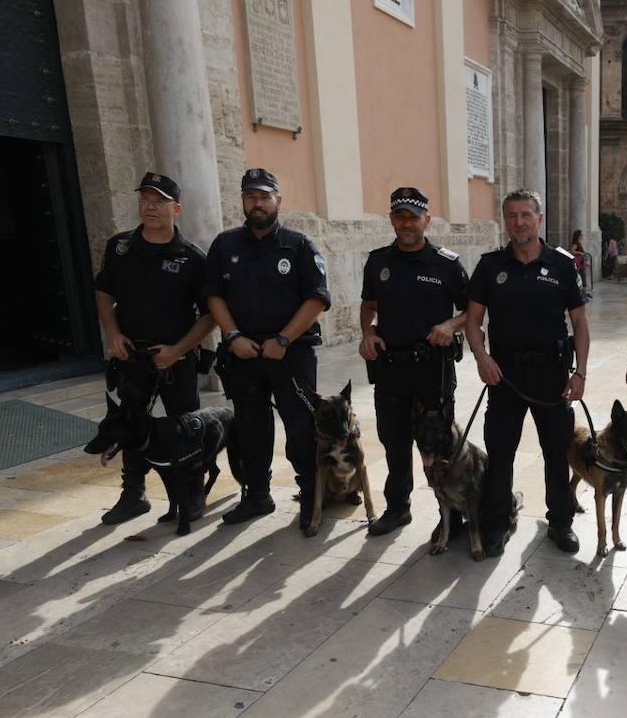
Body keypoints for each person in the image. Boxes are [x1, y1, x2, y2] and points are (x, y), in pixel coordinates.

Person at [203, 168, 330, 531]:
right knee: (251, 428)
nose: (257, 203)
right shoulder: (225, 245)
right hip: (244, 354)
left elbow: (317, 299)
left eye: (264, 196)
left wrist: (284, 340)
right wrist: (233, 337)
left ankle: (310, 498)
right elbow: (213, 295)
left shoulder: (300, 245)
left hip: (291, 354)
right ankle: (257, 494)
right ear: (242, 201)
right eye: (250, 197)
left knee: (301, 428)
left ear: (278, 200)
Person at [465, 189, 589, 557]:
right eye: (511, 216)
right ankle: (498, 523)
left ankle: (560, 522)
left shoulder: (564, 265)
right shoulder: (490, 266)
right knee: (500, 453)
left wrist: (580, 373)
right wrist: (480, 356)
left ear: (540, 218)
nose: (519, 222)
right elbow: (473, 319)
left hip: (552, 375)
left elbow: (579, 321)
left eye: (526, 215)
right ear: (505, 221)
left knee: (556, 452)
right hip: (504, 376)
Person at [94, 171, 214, 524]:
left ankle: (192, 495)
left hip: (176, 359)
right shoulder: (120, 247)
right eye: (146, 199)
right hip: (131, 356)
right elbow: (104, 292)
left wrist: (178, 350)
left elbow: (210, 316)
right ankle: (134, 495)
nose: (151, 206)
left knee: (187, 428)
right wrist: (112, 333)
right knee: (131, 426)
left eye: (159, 201)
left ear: (175, 209)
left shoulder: (193, 257)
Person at [358, 187, 469, 535]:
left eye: (413, 216)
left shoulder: (446, 264)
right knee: (394, 442)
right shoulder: (378, 261)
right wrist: (367, 333)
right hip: (391, 368)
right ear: (392, 218)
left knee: (440, 444)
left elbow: (474, 310)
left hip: (432, 370)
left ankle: (449, 515)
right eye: (400, 216)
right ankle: (397, 507)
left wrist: (451, 324)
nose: (407, 223)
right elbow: (368, 305)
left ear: (427, 220)